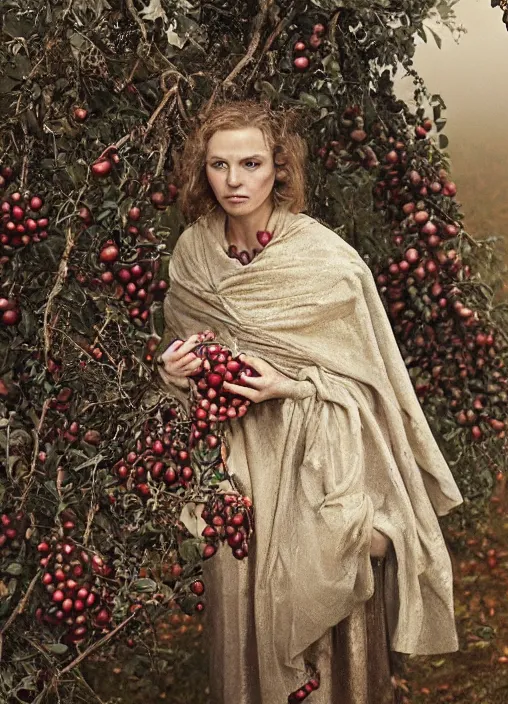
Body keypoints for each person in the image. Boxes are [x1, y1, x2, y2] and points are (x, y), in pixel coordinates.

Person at [156, 100, 464, 704]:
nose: (235, 180)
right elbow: (189, 368)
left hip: (314, 464)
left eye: (251, 162)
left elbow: (372, 388)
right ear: (203, 171)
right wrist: (173, 371)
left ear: (280, 169)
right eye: (220, 165)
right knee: (242, 623)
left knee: (321, 623)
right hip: (236, 474)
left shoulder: (327, 263)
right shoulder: (193, 254)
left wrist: (291, 385)